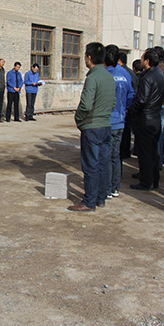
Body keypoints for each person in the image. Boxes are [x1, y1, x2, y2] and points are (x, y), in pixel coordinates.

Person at [68, 43, 116, 212]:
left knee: (90, 165)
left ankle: (89, 201)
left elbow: (86, 104)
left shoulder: (93, 78)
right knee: (103, 163)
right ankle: (100, 198)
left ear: (89, 57)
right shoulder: (109, 77)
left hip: (92, 127)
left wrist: (78, 119)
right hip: (106, 126)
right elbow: (113, 102)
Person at [129, 48, 164, 191]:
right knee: (153, 151)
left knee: (145, 152)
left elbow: (142, 100)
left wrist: (132, 110)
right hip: (155, 117)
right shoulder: (160, 74)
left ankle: (146, 181)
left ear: (147, 61)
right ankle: (154, 180)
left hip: (146, 118)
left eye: (143, 57)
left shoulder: (147, 77)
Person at [104, 45, 134, 199]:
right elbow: (131, 94)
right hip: (121, 120)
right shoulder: (124, 73)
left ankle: (108, 188)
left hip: (108, 121)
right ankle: (115, 187)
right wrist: (125, 108)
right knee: (116, 155)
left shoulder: (105, 74)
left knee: (107, 156)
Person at [119, 52, 138, 159]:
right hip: (129, 106)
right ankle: (126, 151)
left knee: (124, 131)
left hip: (124, 107)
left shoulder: (122, 72)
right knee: (127, 131)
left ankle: (123, 151)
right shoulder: (130, 73)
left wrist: (126, 106)